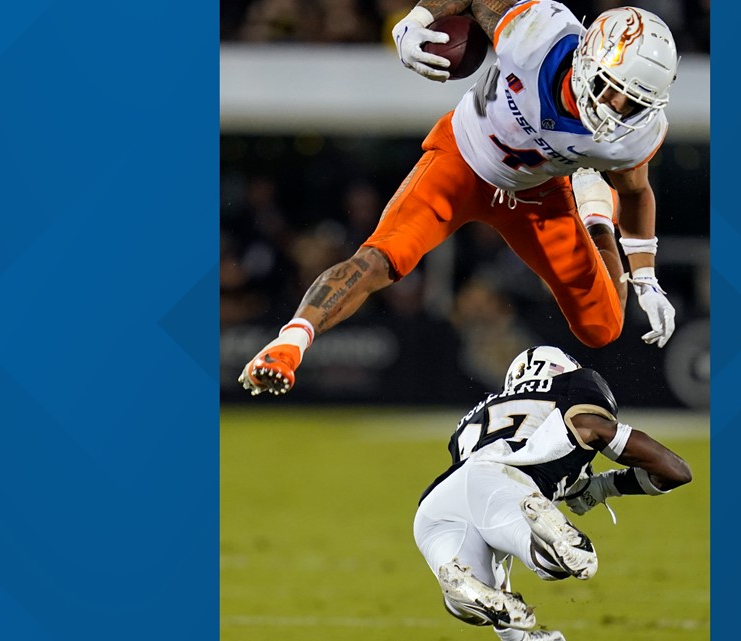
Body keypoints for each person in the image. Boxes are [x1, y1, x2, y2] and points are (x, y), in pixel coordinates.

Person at [240, 0, 680, 396]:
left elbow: (637, 192)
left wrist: (645, 277)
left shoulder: (634, 135)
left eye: (634, 104)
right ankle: (287, 347)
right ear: (587, 57)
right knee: (381, 258)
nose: (616, 107)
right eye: (610, 87)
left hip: (538, 194)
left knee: (602, 327)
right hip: (463, 160)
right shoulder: (537, 35)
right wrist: (418, 18)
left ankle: (594, 211)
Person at [413, 345, 692, 640]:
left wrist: (519, 639)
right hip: (505, 482)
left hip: (437, 504)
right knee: (567, 562)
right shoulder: (569, 388)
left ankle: (468, 588)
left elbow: (477, 497)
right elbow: (672, 470)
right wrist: (606, 484)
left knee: (473, 599)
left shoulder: (472, 419)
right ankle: (549, 528)